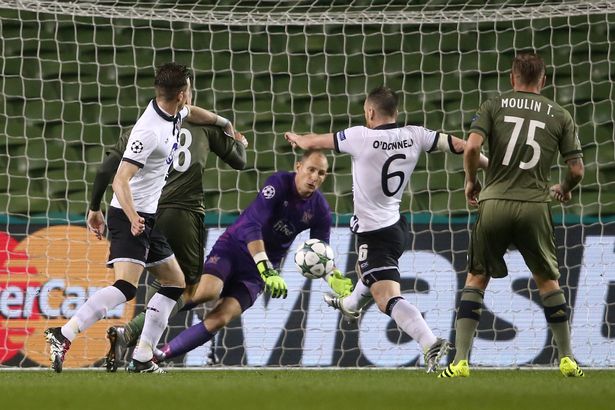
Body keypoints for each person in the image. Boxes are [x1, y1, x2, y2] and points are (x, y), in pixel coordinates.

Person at [44, 62, 240, 373]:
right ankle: (63, 334)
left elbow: (195, 113)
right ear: (181, 93)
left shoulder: (175, 110)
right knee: (125, 287)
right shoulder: (149, 131)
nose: (191, 95)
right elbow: (120, 179)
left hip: (147, 215)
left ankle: (142, 356)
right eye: (189, 89)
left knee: (175, 284)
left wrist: (223, 121)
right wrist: (134, 218)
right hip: (129, 215)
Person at [284, 86, 486, 372]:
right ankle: (351, 304)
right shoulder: (415, 134)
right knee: (367, 274)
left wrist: (298, 138)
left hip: (375, 233)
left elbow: (314, 143)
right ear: (396, 112)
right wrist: (489, 166)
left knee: (386, 297)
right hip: (396, 227)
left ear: (369, 111)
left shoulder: (359, 136)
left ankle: (429, 343)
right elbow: (461, 146)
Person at [438, 53, 585, 378]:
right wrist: (563, 186)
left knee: (477, 278)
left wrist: (471, 181)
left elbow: (473, 148)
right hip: (535, 205)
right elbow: (577, 169)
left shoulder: (494, 105)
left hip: (494, 203)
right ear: (543, 81)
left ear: (511, 76)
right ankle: (567, 359)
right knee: (548, 281)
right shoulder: (560, 114)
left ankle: (460, 361)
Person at [152, 150, 353, 363]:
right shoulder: (279, 183)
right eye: (311, 169)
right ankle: (138, 328)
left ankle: (159, 356)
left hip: (256, 273)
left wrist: (333, 278)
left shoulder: (320, 209)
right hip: (234, 248)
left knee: (221, 318)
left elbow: (321, 253)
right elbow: (251, 225)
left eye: (321, 173)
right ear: (298, 167)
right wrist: (266, 268)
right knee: (206, 292)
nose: (315, 177)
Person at [86, 120, 248, 372]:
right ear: (185, 94)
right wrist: (238, 141)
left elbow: (108, 167)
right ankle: (133, 340)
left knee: (164, 280)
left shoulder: (144, 126)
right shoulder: (203, 127)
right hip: (183, 212)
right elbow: (239, 161)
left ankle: (137, 346)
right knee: (187, 285)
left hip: (147, 211)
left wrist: (95, 205)